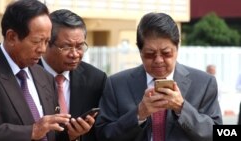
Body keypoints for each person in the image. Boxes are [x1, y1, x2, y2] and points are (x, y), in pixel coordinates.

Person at [95, 12, 222, 141]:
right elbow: (103, 135)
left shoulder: (204, 83)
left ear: (178, 46)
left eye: (166, 53)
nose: (158, 60)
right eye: (150, 54)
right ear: (140, 51)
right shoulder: (116, 84)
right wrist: (139, 114)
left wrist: (181, 108)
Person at [0, 0, 72, 141]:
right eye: (36, 41)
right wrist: (31, 131)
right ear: (11, 37)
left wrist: (72, 134)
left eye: (47, 41)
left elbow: (51, 134)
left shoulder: (44, 76)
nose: (43, 49)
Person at [39, 9, 107, 141]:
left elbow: (102, 131)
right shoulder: (26, 76)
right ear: (47, 43)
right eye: (66, 47)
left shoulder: (96, 79)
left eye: (80, 46)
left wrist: (78, 134)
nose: (74, 54)